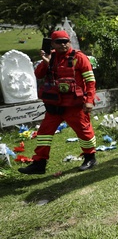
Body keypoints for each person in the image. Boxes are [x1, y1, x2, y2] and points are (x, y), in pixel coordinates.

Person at [19, 30, 99, 174]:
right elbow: (39, 74)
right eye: (59, 42)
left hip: (74, 105)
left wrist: (89, 101)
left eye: (65, 41)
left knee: (84, 131)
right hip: (54, 105)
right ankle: (39, 163)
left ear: (69, 42)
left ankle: (90, 157)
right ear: (52, 44)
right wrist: (46, 61)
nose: (63, 44)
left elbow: (90, 81)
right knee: (44, 133)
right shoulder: (52, 57)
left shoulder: (79, 57)